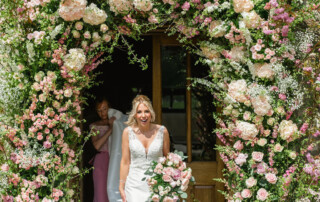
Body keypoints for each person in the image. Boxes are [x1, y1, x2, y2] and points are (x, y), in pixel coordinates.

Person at [119, 95, 170, 202]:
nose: (143, 115)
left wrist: (169, 182)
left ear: (151, 113)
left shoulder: (162, 131)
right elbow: (125, 162)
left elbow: (168, 159)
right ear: (134, 115)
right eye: (139, 112)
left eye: (146, 111)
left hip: (157, 185)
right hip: (133, 186)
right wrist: (121, 186)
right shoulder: (127, 133)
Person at [90, 98, 115, 202]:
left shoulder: (118, 122)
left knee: (114, 192)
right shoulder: (94, 126)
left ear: (110, 108)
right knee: (101, 194)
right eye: (99, 110)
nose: (102, 113)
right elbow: (96, 146)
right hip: (101, 161)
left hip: (115, 160)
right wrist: (110, 129)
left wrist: (114, 125)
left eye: (104, 109)